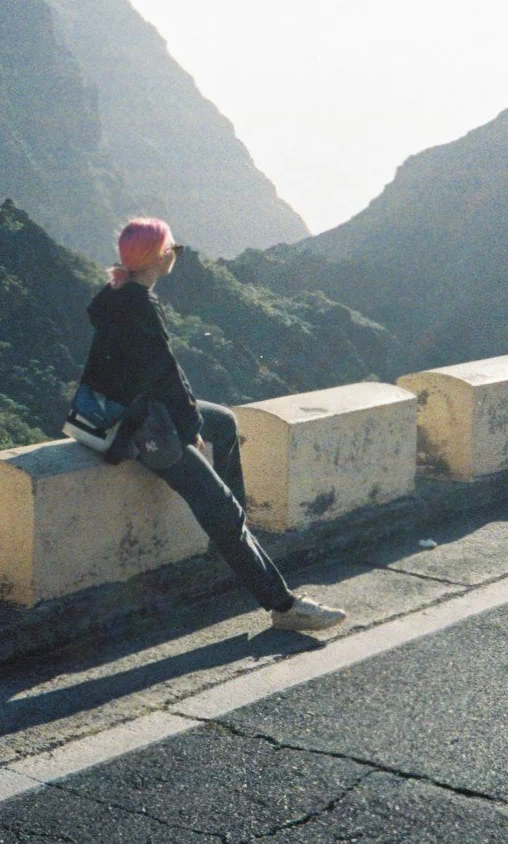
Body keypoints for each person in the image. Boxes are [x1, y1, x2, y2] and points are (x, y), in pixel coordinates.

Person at [78, 217, 347, 632]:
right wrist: (189, 432)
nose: (176, 256)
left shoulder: (117, 297)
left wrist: (195, 422)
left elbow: (159, 375)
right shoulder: (139, 306)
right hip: (139, 426)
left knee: (223, 421)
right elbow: (165, 376)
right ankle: (283, 604)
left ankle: (231, 537)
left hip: (118, 411)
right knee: (218, 506)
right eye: (173, 249)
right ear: (159, 257)